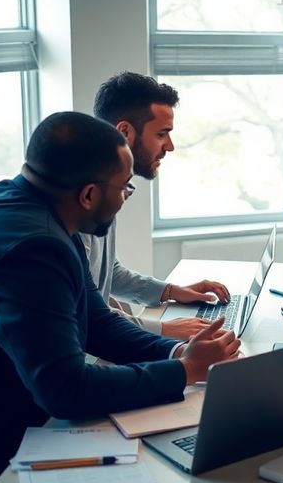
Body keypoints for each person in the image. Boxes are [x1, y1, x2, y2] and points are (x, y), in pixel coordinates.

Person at [0, 112, 241, 483]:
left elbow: (97, 321)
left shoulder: (34, 209)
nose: (126, 197)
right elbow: (65, 390)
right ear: (89, 195)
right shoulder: (32, 247)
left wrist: (179, 352)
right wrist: (182, 372)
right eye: (125, 188)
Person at [87, 72, 229, 339]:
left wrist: (172, 291)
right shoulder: (82, 202)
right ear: (125, 132)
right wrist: (163, 330)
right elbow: (85, 314)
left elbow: (108, 274)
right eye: (162, 134)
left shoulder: (109, 188)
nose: (171, 146)